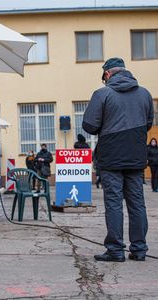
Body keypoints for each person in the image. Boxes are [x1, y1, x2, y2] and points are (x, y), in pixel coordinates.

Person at [83, 57, 154, 262]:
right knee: (137, 203)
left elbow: (89, 126)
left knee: (114, 203)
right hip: (136, 157)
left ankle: (115, 250)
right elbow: (148, 123)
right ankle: (139, 249)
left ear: (107, 74)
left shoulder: (102, 94)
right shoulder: (145, 94)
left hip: (111, 158)